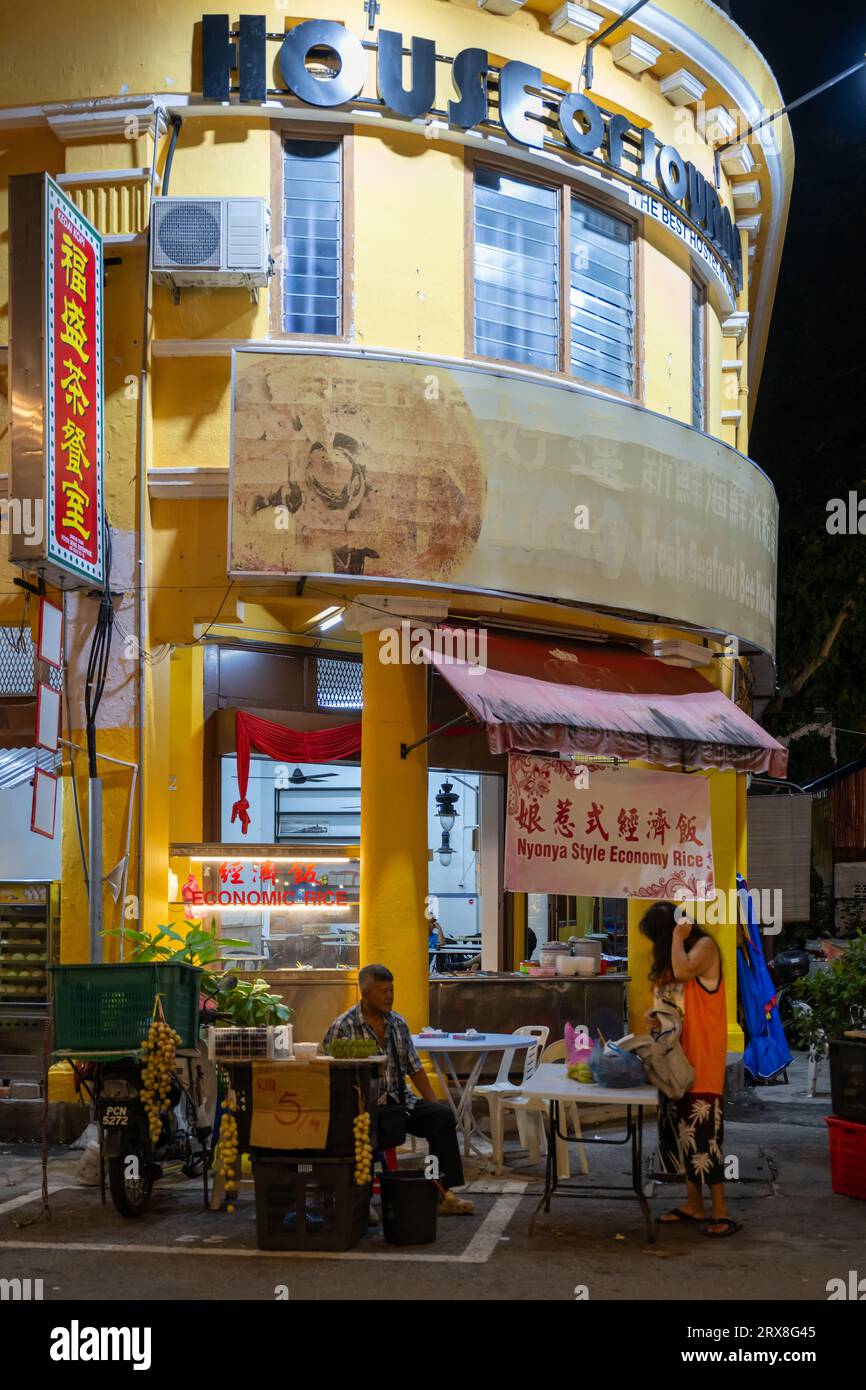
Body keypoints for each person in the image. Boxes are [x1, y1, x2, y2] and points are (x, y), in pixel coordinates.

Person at [323, 963, 475, 1215]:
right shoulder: (344, 1027)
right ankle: (360, 1201)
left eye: (391, 990)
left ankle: (440, 1190)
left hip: (400, 1104)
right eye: (383, 991)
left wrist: (433, 1101)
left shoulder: (397, 1024)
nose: (389, 996)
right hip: (363, 1108)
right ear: (365, 993)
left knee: (441, 1118)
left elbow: (414, 1068)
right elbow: (329, 1074)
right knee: (362, 1130)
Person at [639, 901, 741, 1238]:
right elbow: (677, 1003)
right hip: (676, 1064)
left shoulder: (704, 947)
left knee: (704, 1137)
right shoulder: (680, 950)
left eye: (657, 936)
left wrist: (677, 938)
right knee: (682, 1136)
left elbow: (683, 973)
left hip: (703, 1061)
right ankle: (694, 1204)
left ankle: (722, 1211)